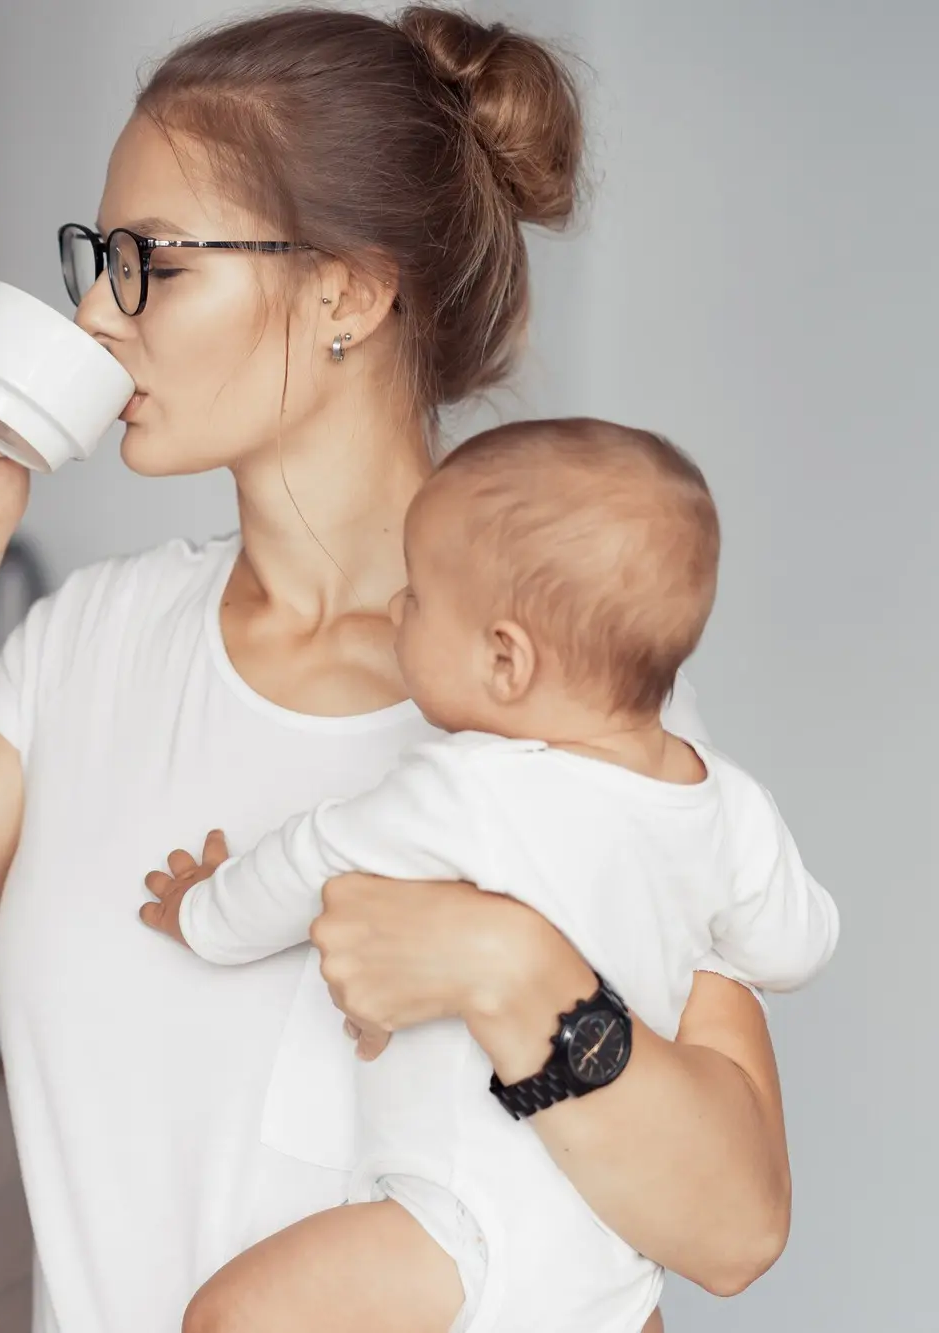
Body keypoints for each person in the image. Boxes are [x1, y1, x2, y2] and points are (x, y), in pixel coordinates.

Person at [0, 8, 796, 1331]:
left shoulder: (555, 696)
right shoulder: (95, 640)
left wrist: (511, 963)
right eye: (95, 256)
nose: (94, 313)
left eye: (150, 264)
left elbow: (737, 1224)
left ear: (346, 292)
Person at [140, 418, 839, 1333]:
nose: (396, 612)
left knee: (228, 1319)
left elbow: (309, 859)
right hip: (608, 1255)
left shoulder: (465, 783)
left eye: (418, 599)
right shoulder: (729, 803)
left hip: (455, 1223)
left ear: (506, 659)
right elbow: (799, 943)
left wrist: (203, 909)